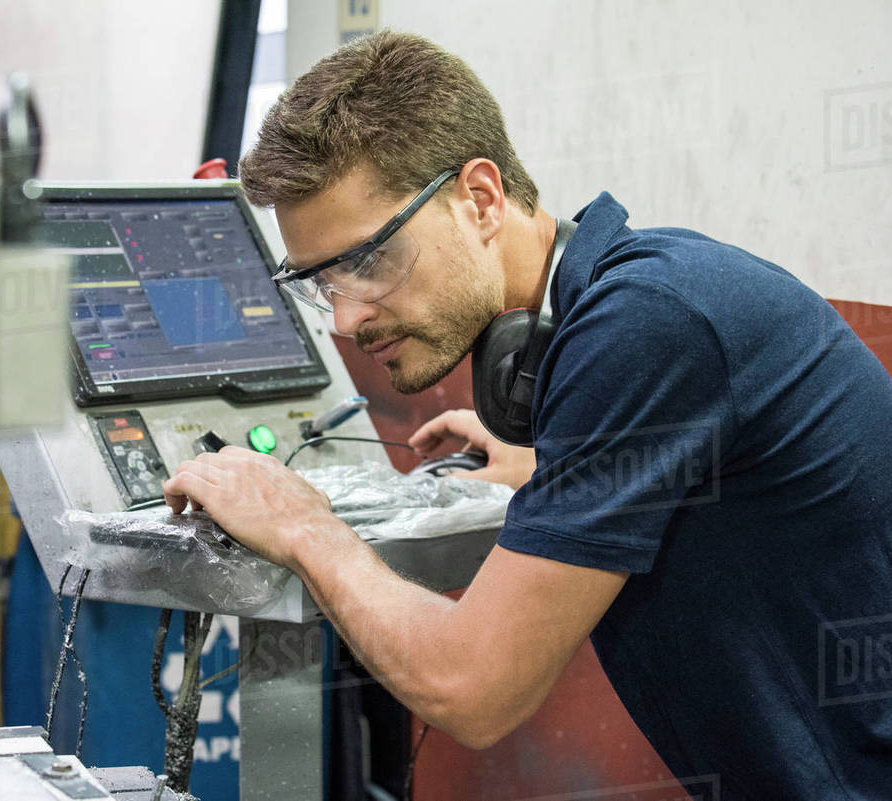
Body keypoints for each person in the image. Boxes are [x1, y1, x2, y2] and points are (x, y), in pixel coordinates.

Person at [162, 30, 892, 799]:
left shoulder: (645, 327)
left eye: (367, 260)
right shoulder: (641, 294)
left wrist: (302, 521)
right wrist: (556, 470)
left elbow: (471, 689)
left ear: (479, 199)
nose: (345, 317)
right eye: (319, 283)